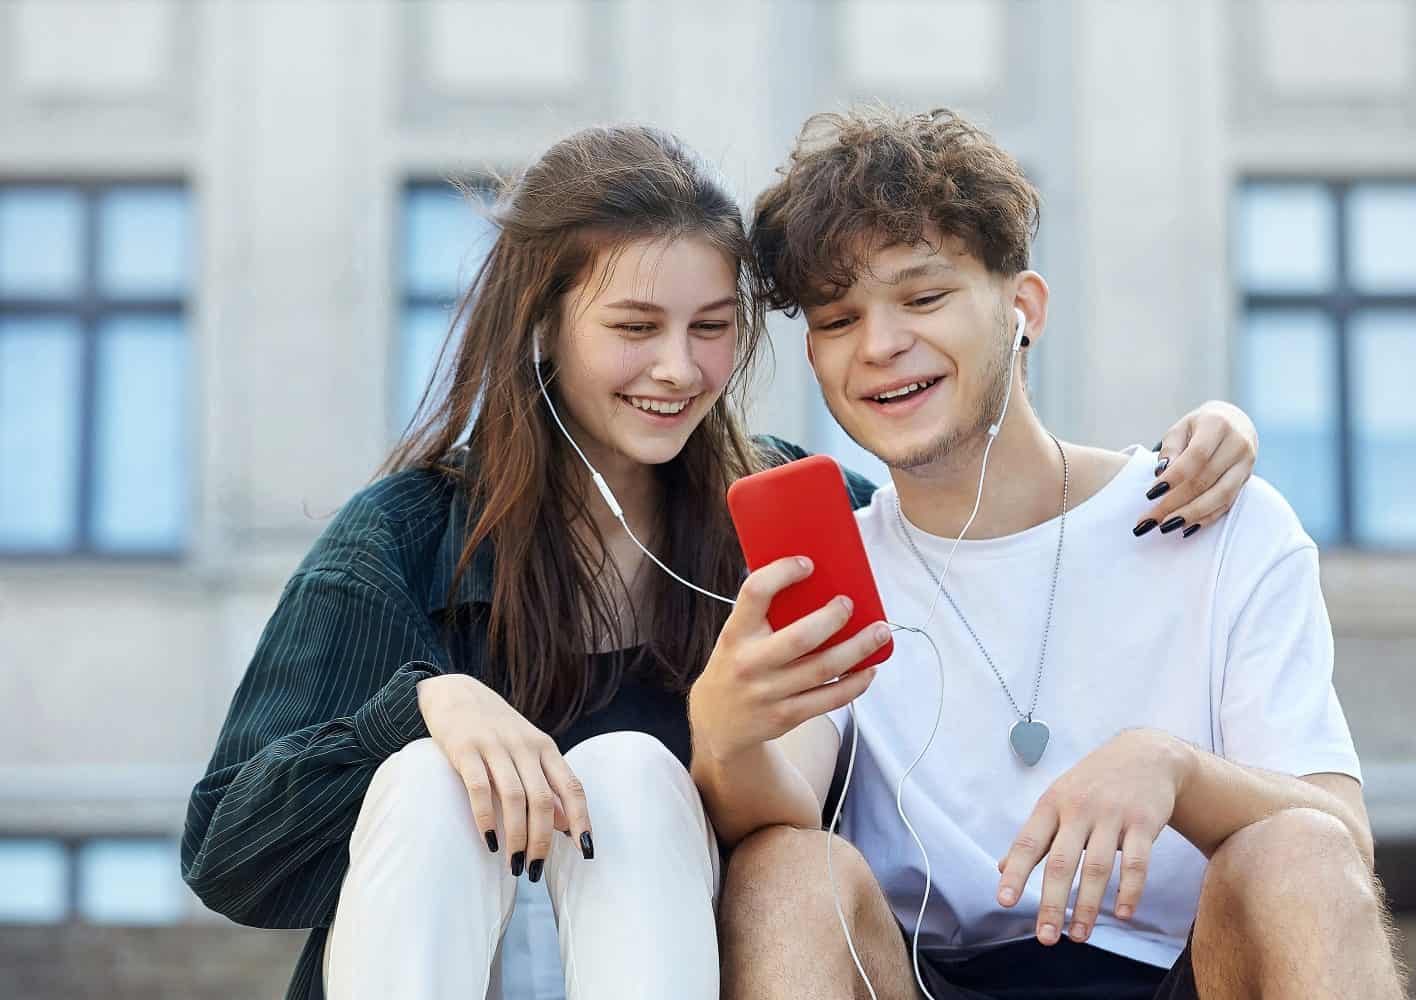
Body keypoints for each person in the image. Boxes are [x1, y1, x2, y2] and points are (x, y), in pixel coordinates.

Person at [181, 123, 1260, 1000]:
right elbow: (228, 846)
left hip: (698, 961)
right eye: (635, 326)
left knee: (635, 774)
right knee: (425, 777)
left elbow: (973, 528)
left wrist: (1193, 442)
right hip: (446, 955)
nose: (677, 368)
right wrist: (429, 704)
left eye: (709, 328)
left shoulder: (802, 513)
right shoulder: (407, 538)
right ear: (544, 330)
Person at [690, 108, 1405, 1000]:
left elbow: (1341, 836)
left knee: (1298, 847)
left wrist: (1173, 769)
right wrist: (723, 735)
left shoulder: (1224, 521)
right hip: (926, 978)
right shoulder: (836, 562)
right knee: (783, 872)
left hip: (1191, 971)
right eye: (839, 319)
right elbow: (781, 798)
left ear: (1022, 308)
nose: (879, 346)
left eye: (924, 297)